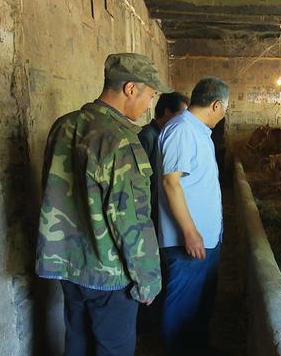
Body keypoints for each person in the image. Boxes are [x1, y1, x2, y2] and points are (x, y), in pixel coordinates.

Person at [36, 53, 172, 356]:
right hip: (109, 274)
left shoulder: (64, 126)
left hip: (67, 266)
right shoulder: (120, 140)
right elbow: (131, 220)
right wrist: (147, 280)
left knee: (78, 343)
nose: (150, 104)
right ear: (131, 89)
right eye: (150, 95)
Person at [156, 77, 229, 354]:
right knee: (182, 305)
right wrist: (190, 232)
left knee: (200, 303)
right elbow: (170, 183)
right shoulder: (182, 130)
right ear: (216, 104)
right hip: (187, 241)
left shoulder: (197, 131)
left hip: (204, 239)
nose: (224, 115)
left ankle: (198, 348)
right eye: (225, 109)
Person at [138, 92, 189, 233]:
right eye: (181, 114)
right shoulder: (147, 136)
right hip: (150, 208)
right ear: (167, 112)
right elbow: (141, 179)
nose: (184, 121)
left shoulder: (165, 136)